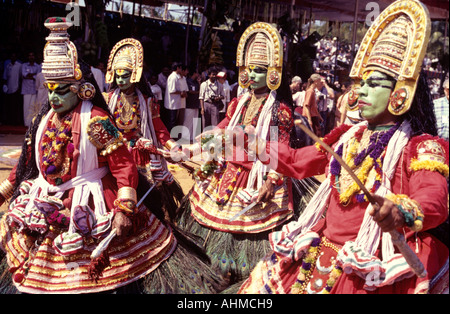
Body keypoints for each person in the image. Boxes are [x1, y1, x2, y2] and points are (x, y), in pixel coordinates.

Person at [0, 18, 225, 294]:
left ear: (80, 87)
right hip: (48, 200)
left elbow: (122, 165)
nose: (54, 97)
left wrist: (124, 207)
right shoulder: (43, 120)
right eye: (50, 89)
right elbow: (28, 163)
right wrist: (4, 191)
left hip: (91, 202)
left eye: (61, 90)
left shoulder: (97, 121)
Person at [238, 0, 449, 294]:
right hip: (322, 247)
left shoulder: (421, 146)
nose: (359, 90)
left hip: (372, 258)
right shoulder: (347, 135)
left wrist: (400, 210)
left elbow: (434, 199)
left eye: (372, 84)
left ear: (401, 93)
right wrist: (252, 144)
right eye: (360, 82)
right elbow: (299, 162)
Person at [176, 22, 319, 285]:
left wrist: (270, 183)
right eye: (249, 69)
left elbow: (281, 151)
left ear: (273, 74)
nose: (252, 75)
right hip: (226, 173)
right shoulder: (238, 102)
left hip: (256, 177)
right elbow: (221, 130)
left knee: (244, 246)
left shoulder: (280, 111)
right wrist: (192, 147)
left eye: (259, 70)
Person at [104, 38, 184, 223]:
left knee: (149, 193)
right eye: (118, 76)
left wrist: (173, 147)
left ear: (134, 76)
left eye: (125, 75)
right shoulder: (107, 100)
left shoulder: (147, 102)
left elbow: (159, 129)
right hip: (114, 152)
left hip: (140, 152)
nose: (120, 80)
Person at [164, 62, 187, 133]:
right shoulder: (173, 77)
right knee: (172, 121)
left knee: (175, 121)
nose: (181, 70)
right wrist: (181, 92)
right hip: (172, 104)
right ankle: (171, 137)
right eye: (180, 68)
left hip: (177, 103)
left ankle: (175, 136)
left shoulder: (178, 77)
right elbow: (172, 90)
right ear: (177, 68)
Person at [21, 51, 41, 127]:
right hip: (26, 90)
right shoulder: (24, 65)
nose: (31, 57)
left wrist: (30, 76)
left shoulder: (37, 66)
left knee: (32, 107)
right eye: (30, 55)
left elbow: (38, 76)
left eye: (32, 55)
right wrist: (33, 76)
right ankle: (25, 123)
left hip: (34, 90)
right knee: (26, 107)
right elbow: (24, 75)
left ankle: (31, 123)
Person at [2, 52, 22, 125]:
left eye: (14, 56)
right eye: (12, 56)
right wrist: (5, 86)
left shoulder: (19, 65)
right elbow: (5, 77)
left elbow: (21, 77)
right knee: (9, 106)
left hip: (16, 89)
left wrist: (19, 88)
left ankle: (16, 122)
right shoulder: (8, 65)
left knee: (16, 106)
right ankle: (9, 121)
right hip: (8, 89)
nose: (13, 58)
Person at [183, 67, 201, 142]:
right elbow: (189, 91)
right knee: (187, 122)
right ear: (194, 73)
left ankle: (193, 138)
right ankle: (185, 138)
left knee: (195, 122)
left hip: (196, 105)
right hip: (189, 105)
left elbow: (200, 91)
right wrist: (197, 92)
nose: (198, 74)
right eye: (197, 73)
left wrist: (199, 83)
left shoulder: (197, 82)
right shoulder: (187, 81)